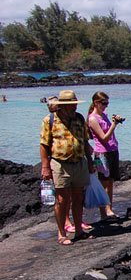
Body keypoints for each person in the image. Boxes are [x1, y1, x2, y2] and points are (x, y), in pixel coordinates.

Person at [39, 90, 95, 245]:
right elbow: (44, 144)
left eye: (75, 104)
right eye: (71, 105)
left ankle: (78, 230)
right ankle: (61, 233)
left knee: (78, 197)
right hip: (60, 163)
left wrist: (90, 162)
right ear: (63, 106)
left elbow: (84, 141)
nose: (74, 107)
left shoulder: (79, 118)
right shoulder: (50, 120)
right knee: (63, 199)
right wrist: (45, 167)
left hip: (79, 162)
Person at [87, 91, 121, 221]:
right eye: (104, 103)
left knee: (110, 181)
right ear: (96, 103)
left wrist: (112, 121)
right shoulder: (92, 119)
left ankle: (109, 209)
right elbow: (104, 138)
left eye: (107, 103)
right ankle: (103, 213)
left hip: (112, 151)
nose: (106, 106)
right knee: (103, 183)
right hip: (102, 153)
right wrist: (114, 124)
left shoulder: (104, 116)